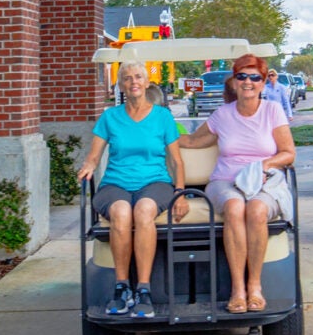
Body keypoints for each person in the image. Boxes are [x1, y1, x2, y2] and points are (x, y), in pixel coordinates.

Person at [178, 54, 296, 314]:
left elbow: (288, 153)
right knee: (234, 207)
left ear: (264, 83)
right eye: (242, 76)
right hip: (225, 182)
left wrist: (263, 166)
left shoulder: (272, 111)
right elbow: (194, 141)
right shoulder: (222, 115)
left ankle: (254, 286)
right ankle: (237, 289)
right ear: (233, 82)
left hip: (263, 182)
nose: (248, 82)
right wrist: (159, 133)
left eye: (255, 77)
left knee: (255, 210)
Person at [77, 61, 188, 318]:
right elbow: (94, 156)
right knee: (121, 212)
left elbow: (176, 161)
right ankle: (121, 287)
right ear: (121, 85)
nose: (133, 82)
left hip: (155, 182)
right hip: (116, 183)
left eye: (138, 77)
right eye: (127, 78)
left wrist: (180, 191)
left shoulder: (162, 117)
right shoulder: (110, 117)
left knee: (144, 209)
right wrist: (87, 167)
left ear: (147, 82)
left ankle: (144, 290)